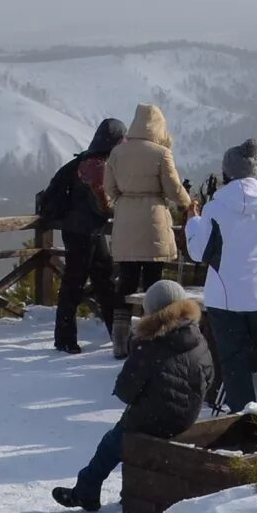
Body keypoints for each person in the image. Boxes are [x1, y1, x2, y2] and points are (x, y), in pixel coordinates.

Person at [51, 277, 209, 511]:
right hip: (189, 414)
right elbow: (210, 376)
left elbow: (126, 391)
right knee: (126, 431)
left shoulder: (149, 343)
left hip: (156, 419)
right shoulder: (198, 336)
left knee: (112, 442)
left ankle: (86, 491)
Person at [187, 140, 257, 413]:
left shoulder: (215, 208)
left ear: (227, 171)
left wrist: (192, 221)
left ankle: (242, 417)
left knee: (234, 362)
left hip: (224, 299)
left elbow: (198, 252)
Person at [104, 103, 193, 341]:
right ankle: (154, 335)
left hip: (124, 220)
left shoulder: (117, 153)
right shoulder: (161, 153)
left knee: (126, 281)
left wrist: (123, 199)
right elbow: (173, 189)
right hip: (154, 220)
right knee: (155, 282)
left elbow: (109, 189)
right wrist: (189, 204)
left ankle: (120, 338)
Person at [45, 118, 124, 353]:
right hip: (86, 232)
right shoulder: (98, 166)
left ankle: (68, 338)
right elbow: (104, 206)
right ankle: (111, 336)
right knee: (95, 284)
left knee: (82, 283)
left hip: (78, 231)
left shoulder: (84, 161)